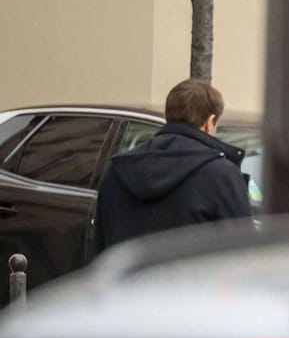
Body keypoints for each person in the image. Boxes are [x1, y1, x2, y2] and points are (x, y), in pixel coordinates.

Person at [91, 78, 251, 252]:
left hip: (131, 278)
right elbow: (240, 254)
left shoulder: (118, 170)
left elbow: (100, 247)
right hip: (191, 278)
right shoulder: (221, 175)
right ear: (209, 122)